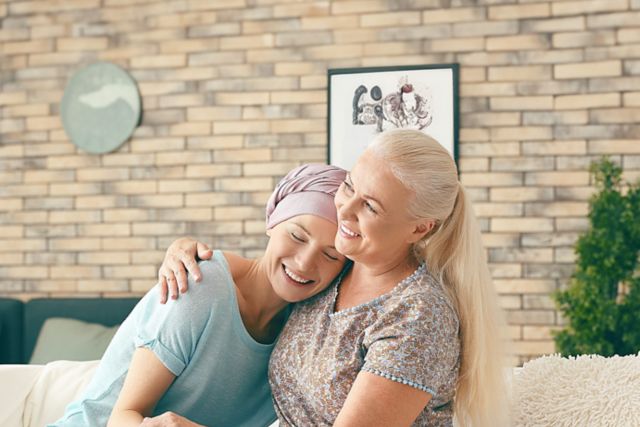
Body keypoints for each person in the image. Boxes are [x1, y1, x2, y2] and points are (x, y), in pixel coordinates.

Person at [159, 129, 509, 427]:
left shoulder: (419, 316)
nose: (345, 209)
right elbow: (260, 272)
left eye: (371, 207)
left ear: (420, 228)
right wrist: (188, 252)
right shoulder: (337, 266)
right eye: (349, 187)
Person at [49, 164, 348, 427]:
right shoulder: (200, 285)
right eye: (297, 236)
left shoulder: (307, 332)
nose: (306, 263)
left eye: (330, 255)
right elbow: (121, 418)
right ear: (272, 222)